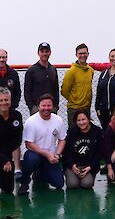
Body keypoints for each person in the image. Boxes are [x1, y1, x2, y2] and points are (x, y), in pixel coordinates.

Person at [18, 93, 66, 195]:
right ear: (38, 106)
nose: (46, 108)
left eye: (49, 105)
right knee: (32, 159)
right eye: (43, 105)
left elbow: (62, 139)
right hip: (35, 153)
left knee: (59, 184)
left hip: (51, 156)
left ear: (53, 106)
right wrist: (47, 154)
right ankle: (24, 182)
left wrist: (57, 154)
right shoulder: (31, 122)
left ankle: (39, 174)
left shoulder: (58, 120)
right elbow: (28, 144)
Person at [63, 110, 104, 189]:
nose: (81, 123)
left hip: (88, 165)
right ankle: (70, 175)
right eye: (78, 120)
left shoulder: (97, 131)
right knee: (72, 185)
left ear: (89, 119)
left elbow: (99, 153)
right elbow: (66, 151)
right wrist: (72, 165)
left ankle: (89, 176)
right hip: (74, 165)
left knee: (87, 184)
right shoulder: (71, 132)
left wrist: (90, 167)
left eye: (83, 119)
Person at [0, 49, 22, 180]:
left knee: (14, 139)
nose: (2, 59)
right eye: (0, 57)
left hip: (10, 112)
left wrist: (12, 105)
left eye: (4, 57)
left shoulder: (13, 73)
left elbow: (18, 91)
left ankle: (17, 168)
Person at [61, 43, 94, 127]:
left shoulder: (90, 70)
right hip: (74, 109)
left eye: (84, 53)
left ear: (88, 54)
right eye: (80, 53)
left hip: (86, 108)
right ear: (76, 55)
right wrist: (75, 99)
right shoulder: (71, 71)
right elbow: (64, 91)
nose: (82, 55)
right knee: (74, 134)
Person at [24, 42, 59, 115]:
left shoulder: (53, 69)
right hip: (36, 108)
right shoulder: (31, 70)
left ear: (50, 53)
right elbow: (27, 91)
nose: (44, 54)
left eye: (47, 51)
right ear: (38, 53)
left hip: (51, 108)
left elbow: (56, 90)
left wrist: (55, 106)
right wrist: (32, 107)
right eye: (42, 51)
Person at [0, 87, 23, 193]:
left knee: (8, 189)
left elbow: (17, 140)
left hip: (7, 155)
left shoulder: (17, 116)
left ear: (10, 100)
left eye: (6, 100)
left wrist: (7, 160)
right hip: (3, 157)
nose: (4, 103)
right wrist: (4, 160)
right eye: (1, 100)